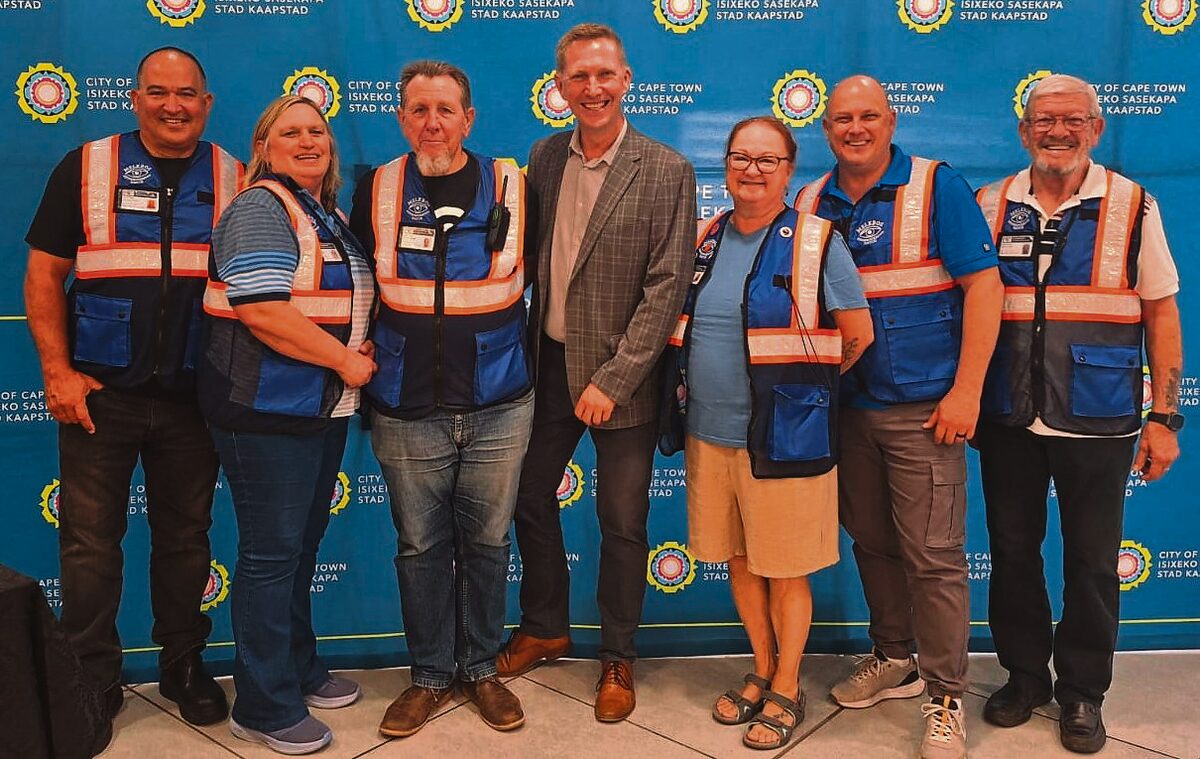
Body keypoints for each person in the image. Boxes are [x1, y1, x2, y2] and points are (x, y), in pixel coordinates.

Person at [23, 46, 239, 733]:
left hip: (194, 400)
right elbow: (42, 275)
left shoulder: (236, 176)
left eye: (187, 94)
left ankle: (183, 664)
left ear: (206, 104)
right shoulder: (86, 167)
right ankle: (91, 676)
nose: (173, 104)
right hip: (99, 396)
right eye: (158, 92)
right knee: (89, 545)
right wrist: (58, 373)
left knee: (186, 538)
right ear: (135, 98)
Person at [793, 74, 1003, 759]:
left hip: (925, 411)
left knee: (934, 557)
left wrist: (967, 390)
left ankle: (945, 692)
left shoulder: (937, 184)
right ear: (826, 130)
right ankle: (896, 657)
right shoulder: (811, 200)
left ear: (890, 120)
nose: (855, 129)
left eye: (868, 117)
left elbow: (984, 287)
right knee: (874, 543)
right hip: (846, 409)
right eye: (842, 120)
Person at [973, 74, 1183, 755]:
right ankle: (1025, 676)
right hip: (1008, 416)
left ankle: (1084, 692)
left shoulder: (1132, 204)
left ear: (1094, 129)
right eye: (1043, 120)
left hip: (1101, 418)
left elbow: (1161, 309)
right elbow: (970, 307)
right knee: (1011, 552)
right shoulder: (991, 202)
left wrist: (1165, 416)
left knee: (1092, 562)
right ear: (1023, 130)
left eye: (1071, 120)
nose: (1056, 131)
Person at [497, 23, 697, 723]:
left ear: (627, 80)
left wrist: (613, 379)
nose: (592, 88)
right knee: (525, 492)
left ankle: (618, 653)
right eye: (578, 77)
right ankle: (547, 622)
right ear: (559, 87)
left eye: (604, 75)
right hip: (547, 366)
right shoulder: (544, 156)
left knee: (621, 520)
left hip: (625, 380)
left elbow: (667, 285)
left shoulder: (667, 168)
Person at [660, 116, 872, 750]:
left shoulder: (816, 240)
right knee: (743, 560)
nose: (751, 170)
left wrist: (803, 393)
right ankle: (759, 667)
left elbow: (856, 335)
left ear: (788, 169)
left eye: (767, 160)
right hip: (709, 433)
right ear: (725, 166)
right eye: (739, 158)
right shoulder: (706, 236)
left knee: (787, 569)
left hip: (786, 439)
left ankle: (786, 683)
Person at [348, 60, 532, 737]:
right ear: (401, 118)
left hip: (500, 400)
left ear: (469, 118)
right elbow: (354, 279)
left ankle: (481, 667)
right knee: (420, 546)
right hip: (405, 402)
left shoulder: (513, 183)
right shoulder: (377, 185)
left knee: (486, 543)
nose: (432, 122)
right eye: (418, 110)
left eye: (445, 110)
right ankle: (429, 674)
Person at [199, 94, 376, 755]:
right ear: (264, 147)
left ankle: (297, 666)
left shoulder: (321, 212)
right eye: (290, 133)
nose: (307, 141)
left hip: (314, 406)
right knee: (271, 556)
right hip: (264, 411)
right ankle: (264, 704)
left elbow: (336, 300)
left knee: (297, 549)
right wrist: (347, 362)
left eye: (317, 131)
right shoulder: (259, 208)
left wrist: (358, 351)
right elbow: (264, 310)